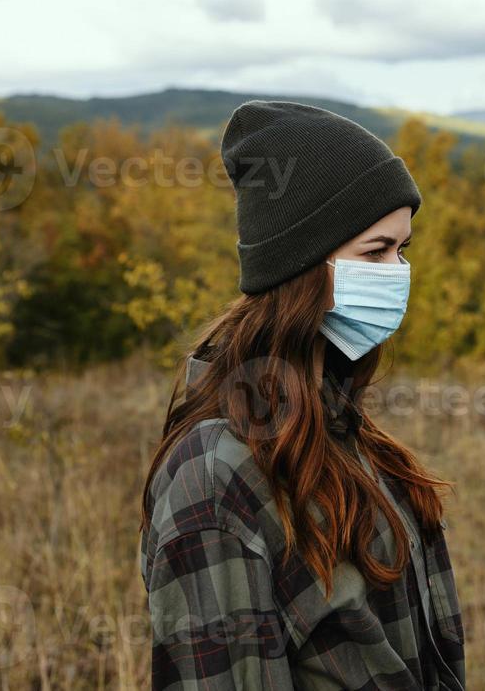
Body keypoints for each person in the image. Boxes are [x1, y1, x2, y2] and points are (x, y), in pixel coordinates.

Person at [139, 99, 466, 690]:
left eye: (403, 249)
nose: (398, 273)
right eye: (376, 252)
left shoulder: (337, 422)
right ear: (300, 267)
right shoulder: (216, 476)